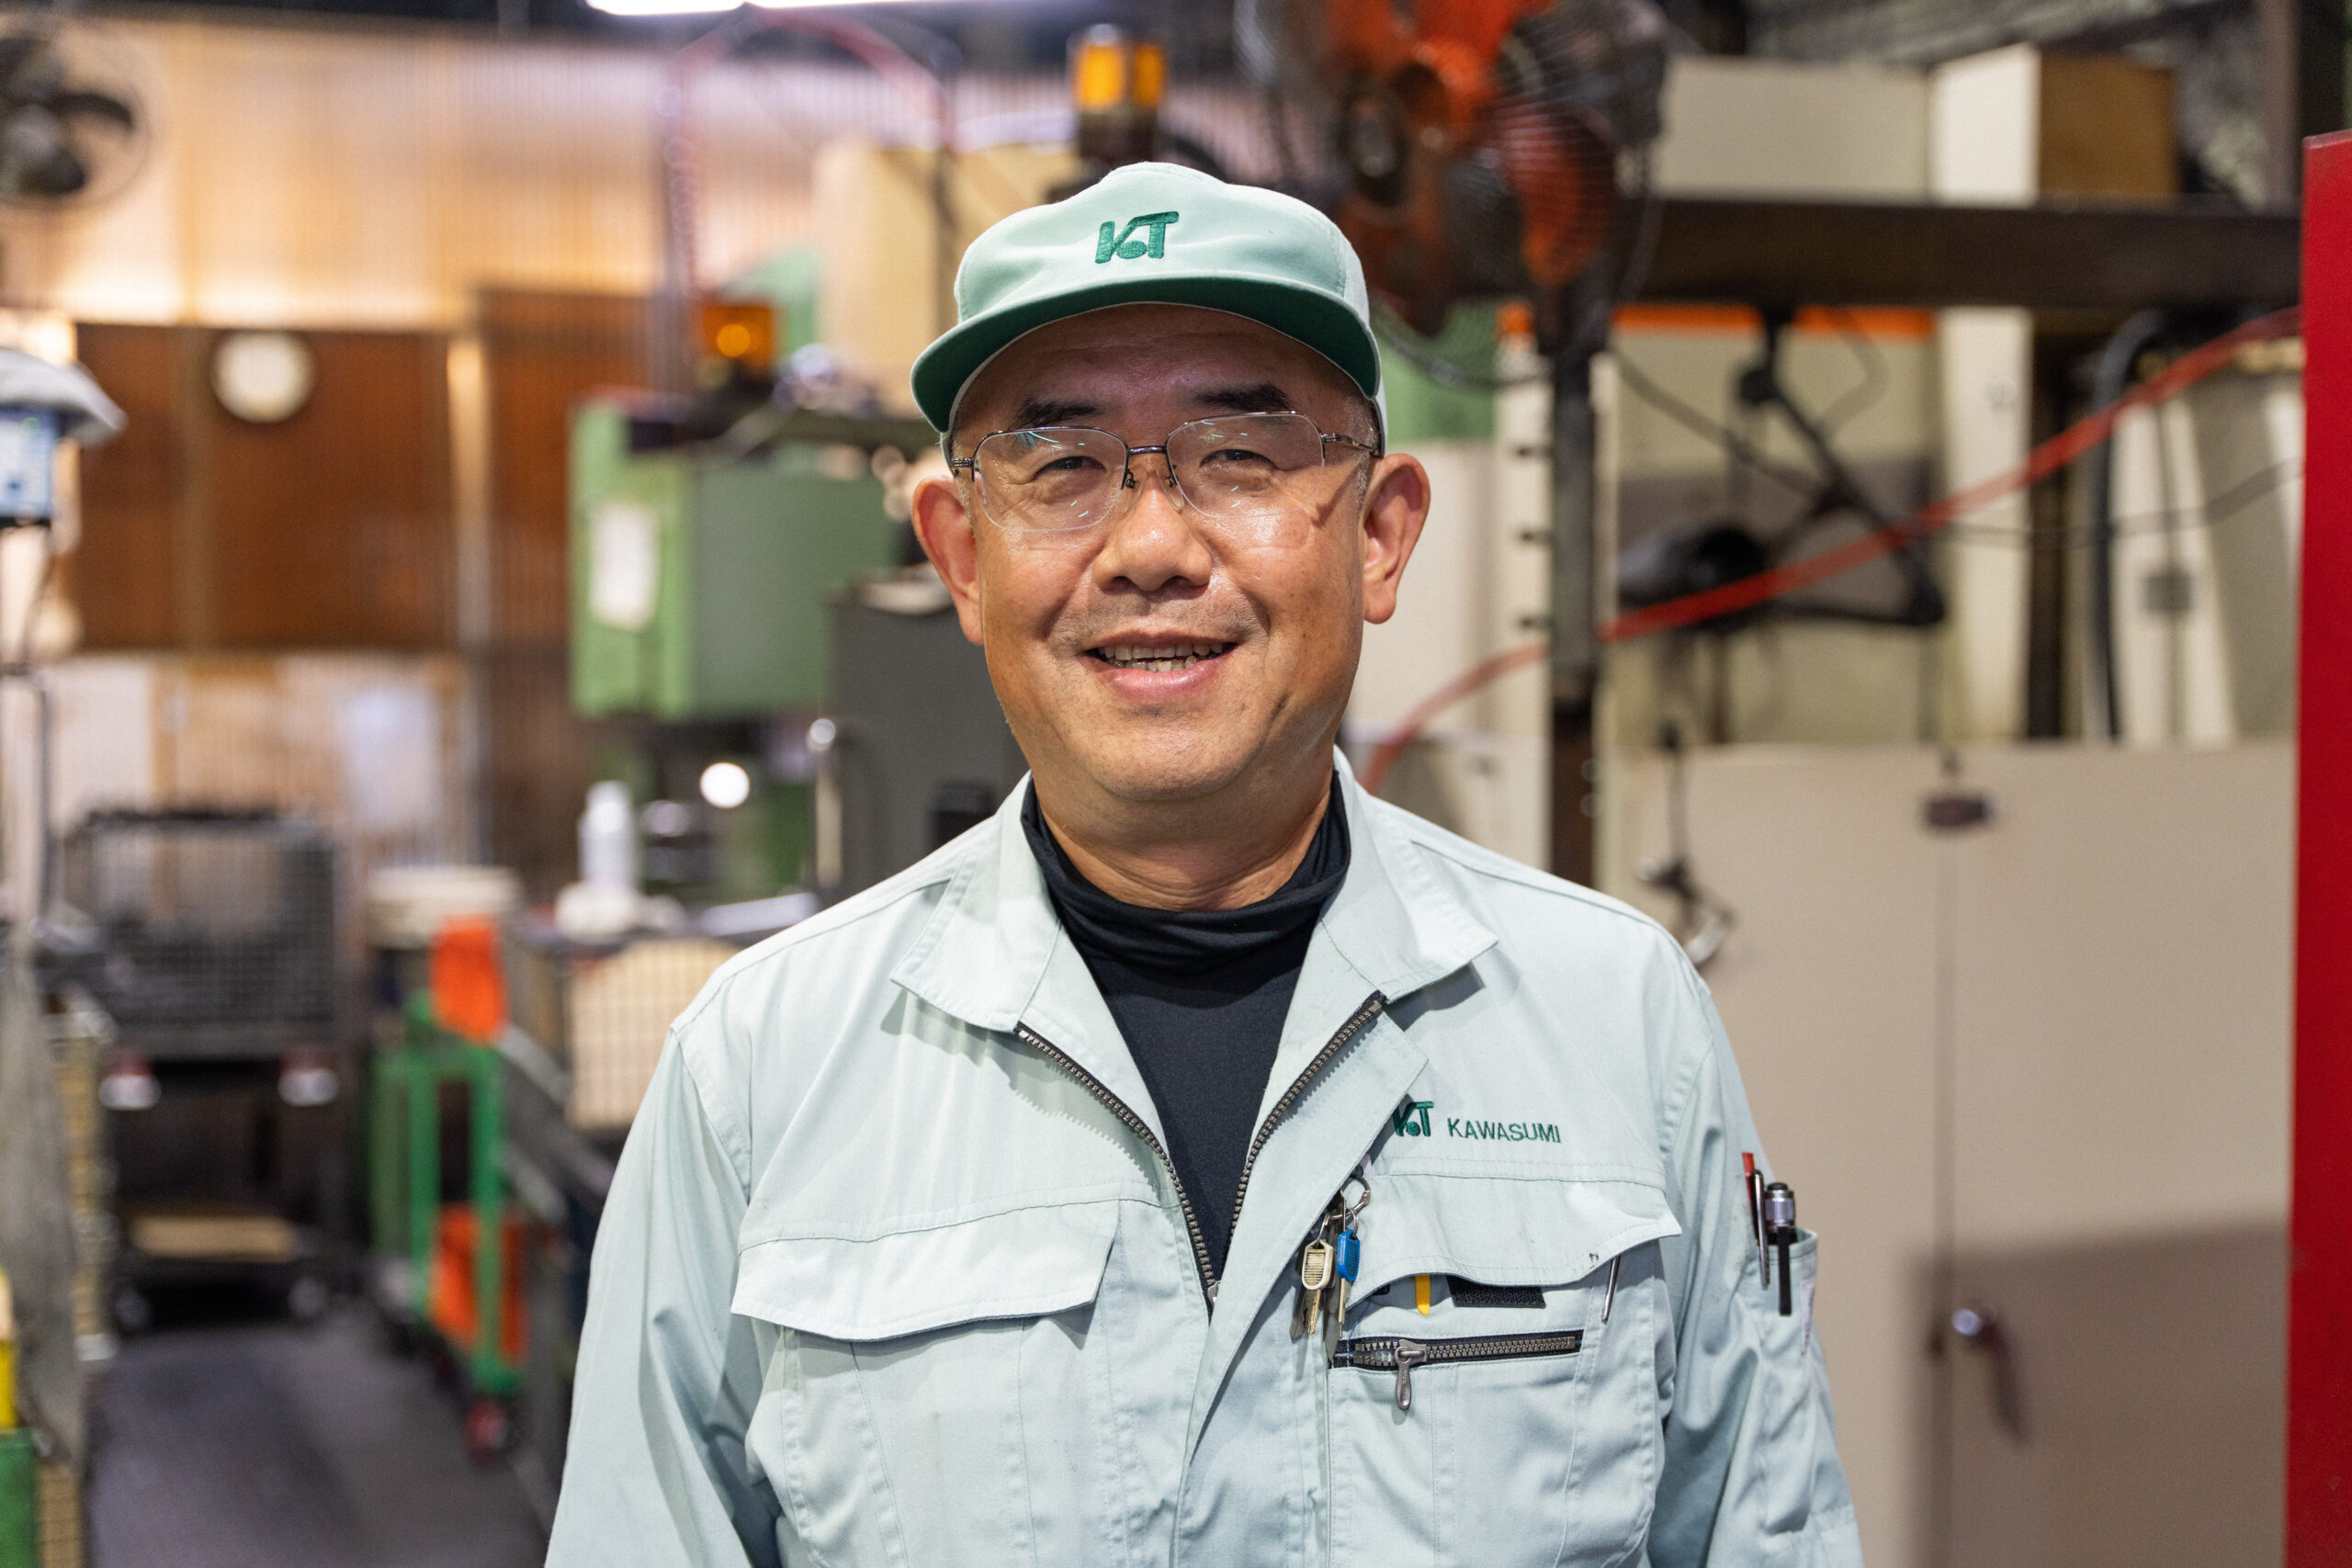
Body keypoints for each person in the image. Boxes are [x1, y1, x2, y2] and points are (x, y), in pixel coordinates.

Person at [547, 162, 1861, 1568]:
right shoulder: (763, 1072)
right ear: (963, 558)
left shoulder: (1616, 1019)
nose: (1154, 547)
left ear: (1380, 535)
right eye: (1061, 466)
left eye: (1241, 455)